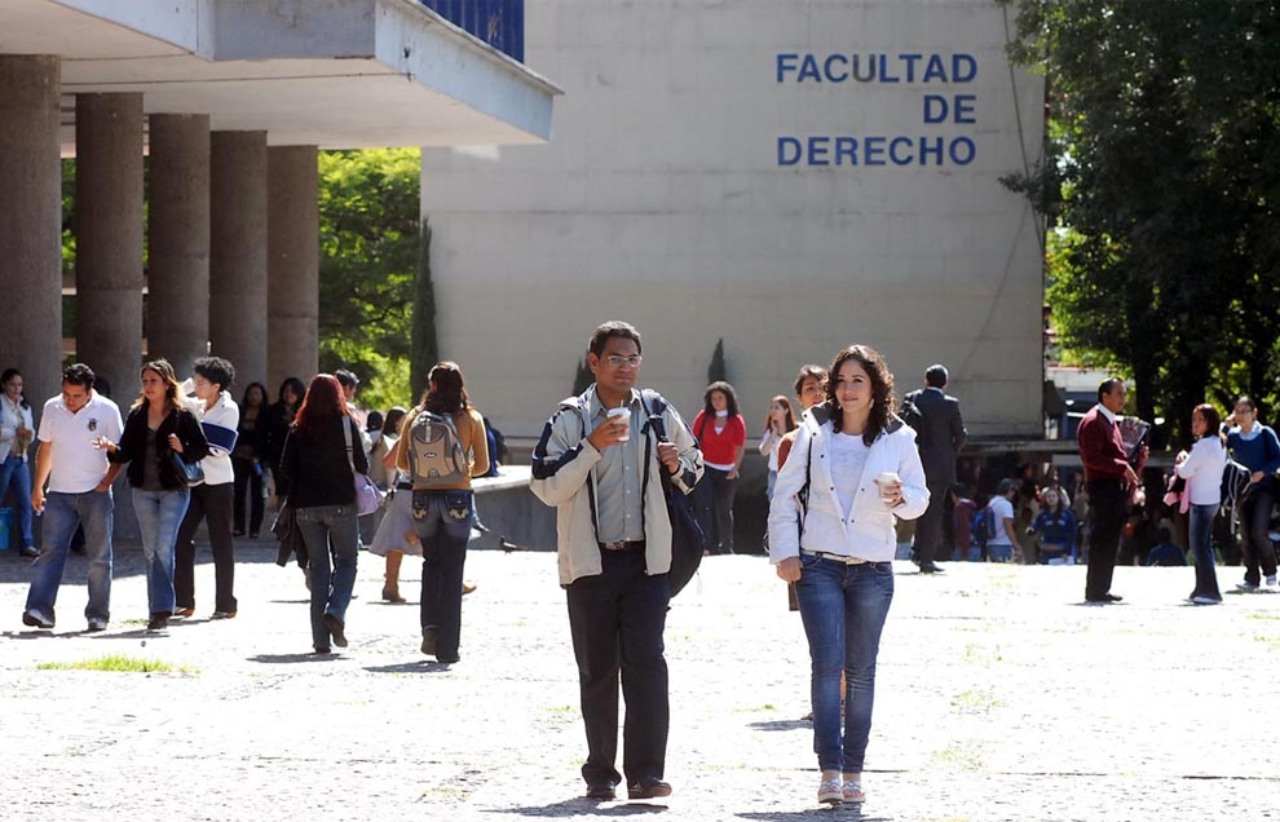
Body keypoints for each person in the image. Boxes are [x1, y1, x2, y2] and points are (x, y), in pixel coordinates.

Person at [530, 321, 703, 802]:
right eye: (615, 358)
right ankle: (601, 772)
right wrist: (592, 447)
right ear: (594, 362)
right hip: (590, 565)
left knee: (648, 664)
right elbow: (546, 485)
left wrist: (674, 465)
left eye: (632, 359)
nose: (625, 367)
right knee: (598, 669)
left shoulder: (656, 410)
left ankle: (647, 773)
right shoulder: (570, 418)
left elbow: (695, 467)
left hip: (647, 563)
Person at [769, 345, 927, 806]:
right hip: (817, 563)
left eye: (858, 380)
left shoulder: (900, 437)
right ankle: (829, 769)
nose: (848, 389)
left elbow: (920, 497)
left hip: (873, 569)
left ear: (876, 387)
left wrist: (901, 498)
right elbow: (785, 494)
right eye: (841, 381)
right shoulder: (815, 432)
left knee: (860, 673)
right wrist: (785, 553)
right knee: (827, 666)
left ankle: (855, 767)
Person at [97, 359, 209, 631]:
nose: (147, 386)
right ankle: (158, 608)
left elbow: (201, 448)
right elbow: (125, 453)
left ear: (166, 383)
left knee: (163, 546)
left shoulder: (183, 414)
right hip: (142, 490)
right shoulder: (137, 415)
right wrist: (110, 448)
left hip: (174, 489)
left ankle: (161, 610)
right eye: (144, 381)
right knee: (150, 550)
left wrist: (183, 448)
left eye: (153, 381)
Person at [394, 362, 489, 663]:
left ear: (432, 385)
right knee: (453, 570)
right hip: (458, 498)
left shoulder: (415, 417)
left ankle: (430, 628)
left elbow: (402, 464)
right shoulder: (471, 418)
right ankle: (449, 648)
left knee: (430, 564)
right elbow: (484, 466)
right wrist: (461, 470)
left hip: (423, 499)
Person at [22, 364, 123, 631]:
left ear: (90, 392)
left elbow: (120, 453)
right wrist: (38, 487)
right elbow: (46, 448)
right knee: (49, 553)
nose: (70, 400)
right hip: (59, 493)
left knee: (99, 557)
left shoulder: (108, 410)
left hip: (96, 493)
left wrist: (106, 481)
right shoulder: (53, 407)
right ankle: (39, 609)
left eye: (77, 395)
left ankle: (98, 614)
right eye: (67, 393)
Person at [279, 374, 367, 654]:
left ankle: (320, 641)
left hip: (306, 507)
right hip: (341, 502)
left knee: (318, 571)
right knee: (348, 560)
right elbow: (362, 465)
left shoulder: (298, 428)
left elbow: (286, 469)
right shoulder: (346, 424)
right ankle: (337, 610)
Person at [174, 357, 241, 619]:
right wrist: (192, 381)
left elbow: (220, 448)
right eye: (197, 381)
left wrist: (187, 445)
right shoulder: (195, 406)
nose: (198, 386)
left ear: (217, 386)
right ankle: (184, 600)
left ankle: (226, 603)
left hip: (219, 483)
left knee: (221, 542)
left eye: (203, 382)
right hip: (193, 482)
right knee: (180, 537)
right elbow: (173, 394)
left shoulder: (230, 409)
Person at [1076, 378, 1147, 603]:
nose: (1123, 399)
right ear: (1105, 396)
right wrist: (1121, 466)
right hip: (1102, 487)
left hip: (1113, 486)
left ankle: (1102, 587)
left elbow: (1117, 456)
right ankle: (1095, 589)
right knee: (1103, 538)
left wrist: (1136, 460)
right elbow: (1092, 458)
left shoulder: (1110, 421)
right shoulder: (1093, 421)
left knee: (1110, 538)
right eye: (1119, 394)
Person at [902, 364, 966, 573]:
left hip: (913, 462)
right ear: (945, 383)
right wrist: (949, 453)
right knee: (934, 510)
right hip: (940, 466)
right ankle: (926, 558)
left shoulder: (913, 399)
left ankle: (917, 551)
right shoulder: (950, 405)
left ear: (926, 380)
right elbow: (961, 435)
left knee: (917, 507)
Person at [1173, 404, 1227, 602]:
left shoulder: (1203, 446)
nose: (1195, 424)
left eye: (1200, 420)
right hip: (1212, 499)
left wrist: (1182, 459)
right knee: (1203, 545)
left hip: (1201, 501)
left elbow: (1185, 471)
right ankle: (1200, 588)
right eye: (1194, 420)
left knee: (1199, 547)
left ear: (1210, 422)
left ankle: (1210, 591)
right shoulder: (1218, 443)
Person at [1225, 396, 1280, 591]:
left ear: (1254, 413)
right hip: (1242, 489)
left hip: (1264, 487)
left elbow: (1277, 457)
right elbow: (1219, 442)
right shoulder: (1234, 435)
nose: (1240, 416)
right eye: (1237, 412)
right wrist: (1226, 424)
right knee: (1246, 534)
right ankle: (1251, 577)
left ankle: (1271, 572)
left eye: (1244, 412)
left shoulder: (1265, 432)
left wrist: (1263, 472)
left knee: (1259, 530)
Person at [691, 381, 746, 555]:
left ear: (728, 399)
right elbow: (693, 440)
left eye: (720, 398)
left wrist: (734, 469)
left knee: (723, 509)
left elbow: (740, 448)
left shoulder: (736, 420)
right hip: (706, 467)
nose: (717, 401)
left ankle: (727, 546)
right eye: (713, 398)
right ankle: (706, 545)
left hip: (727, 470)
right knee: (704, 506)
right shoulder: (703, 417)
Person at [0, 368, 39, 557]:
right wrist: (13, 432)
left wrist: (28, 435)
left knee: (25, 501)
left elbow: (31, 430)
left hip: (20, 458)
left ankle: (27, 542)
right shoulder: (1, 404)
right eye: (13, 385)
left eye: (19, 385)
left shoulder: (25, 405)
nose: (17, 389)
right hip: (3, 457)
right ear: (4, 385)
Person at [260, 376, 304, 507]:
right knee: (282, 489)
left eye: (292, 391)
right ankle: (282, 521)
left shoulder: (303, 411)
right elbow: (265, 431)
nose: (288, 395)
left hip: (299, 456)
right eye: (286, 391)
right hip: (278, 455)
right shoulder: (273, 410)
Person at [232, 381, 268, 538]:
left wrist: (256, 452)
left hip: (258, 459)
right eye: (251, 393)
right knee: (238, 492)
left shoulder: (267, 413)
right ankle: (239, 526)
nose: (253, 397)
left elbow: (267, 437)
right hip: (240, 457)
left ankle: (255, 529)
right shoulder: (239, 412)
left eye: (257, 394)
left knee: (258, 494)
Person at [759, 395, 796, 501]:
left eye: (776, 407)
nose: (773, 411)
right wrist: (774, 433)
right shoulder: (770, 432)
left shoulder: (796, 430)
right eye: (771, 407)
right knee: (775, 505)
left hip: (792, 473)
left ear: (786, 410)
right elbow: (764, 451)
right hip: (775, 473)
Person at [984, 478, 1019, 563]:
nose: (1013, 494)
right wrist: (1016, 545)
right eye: (1013, 491)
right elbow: (1008, 526)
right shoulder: (1006, 505)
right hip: (1003, 544)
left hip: (991, 543)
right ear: (1009, 490)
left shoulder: (992, 502)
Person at [950, 483, 976, 562]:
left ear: (953, 494)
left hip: (963, 547)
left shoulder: (960, 507)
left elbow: (964, 528)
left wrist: (964, 552)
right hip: (975, 545)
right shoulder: (971, 506)